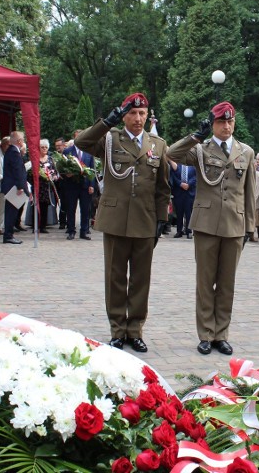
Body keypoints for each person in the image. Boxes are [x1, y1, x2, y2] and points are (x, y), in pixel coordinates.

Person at [75, 92, 170, 353]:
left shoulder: (157, 144)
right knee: (115, 277)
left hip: (145, 220)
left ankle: (135, 330)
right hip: (116, 220)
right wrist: (107, 121)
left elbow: (162, 187)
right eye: (132, 113)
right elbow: (82, 142)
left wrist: (162, 218)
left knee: (141, 279)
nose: (137, 118)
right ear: (124, 116)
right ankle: (118, 330)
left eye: (141, 113)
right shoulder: (109, 139)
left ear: (147, 115)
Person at [167, 101, 256, 356]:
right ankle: (205, 334)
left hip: (234, 224)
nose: (226, 126)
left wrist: (250, 226)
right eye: (221, 122)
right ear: (213, 124)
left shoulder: (245, 151)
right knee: (205, 282)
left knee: (227, 283)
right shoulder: (200, 150)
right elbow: (172, 154)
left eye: (230, 122)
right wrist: (196, 136)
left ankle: (221, 335)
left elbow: (250, 192)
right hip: (206, 224)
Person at [62, 130, 97, 240]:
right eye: (78, 137)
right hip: (71, 185)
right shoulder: (67, 151)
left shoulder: (89, 152)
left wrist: (92, 185)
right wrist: (66, 174)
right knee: (71, 209)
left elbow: (92, 169)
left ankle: (84, 231)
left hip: (85, 186)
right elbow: (62, 168)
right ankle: (71, 231)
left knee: (85, 209)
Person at [1, 131, 29, 245]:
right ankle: (8, 235)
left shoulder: (11, 151)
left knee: (11, 211)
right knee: (11, 212)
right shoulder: (14, 152)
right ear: (19, 141)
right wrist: (21, 186)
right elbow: (17, 171)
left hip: (11, 185)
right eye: (23, 139)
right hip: (13, 187)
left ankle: (9, 234)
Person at [27, 139, 59, 234]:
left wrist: (53, 177)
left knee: (45, 207)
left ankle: (43, 226)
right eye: (42, 147)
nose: (44, 149)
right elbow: (29, 173)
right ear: (39, 148)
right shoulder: (35, 159)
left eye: (46, 147)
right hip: (37, 186)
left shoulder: (50, 159)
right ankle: (35, 226)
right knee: (36, 207)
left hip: (47, 187)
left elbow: (56, 172)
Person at [170, 159, 196, 238]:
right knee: (179, 213)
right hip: (179, 192)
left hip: (189, 192)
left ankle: (189, 231)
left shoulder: (193, 165)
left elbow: (196, 177)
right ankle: (179, 231)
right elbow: (173, 176)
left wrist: (188, 184)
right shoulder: (176, 165)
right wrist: (180, 184)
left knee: (189, 213)